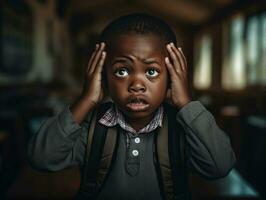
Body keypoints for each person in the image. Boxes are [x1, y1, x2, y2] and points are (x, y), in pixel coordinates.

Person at [27, 13, 236, 200]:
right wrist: (86, 100)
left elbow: (220, 166)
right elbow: (41, 158)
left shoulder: (183, 128)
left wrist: (186, 104)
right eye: (122, 71)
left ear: (172, 78)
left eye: (152, 72)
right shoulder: (91, 127)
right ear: (103, 77)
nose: (136, 85)